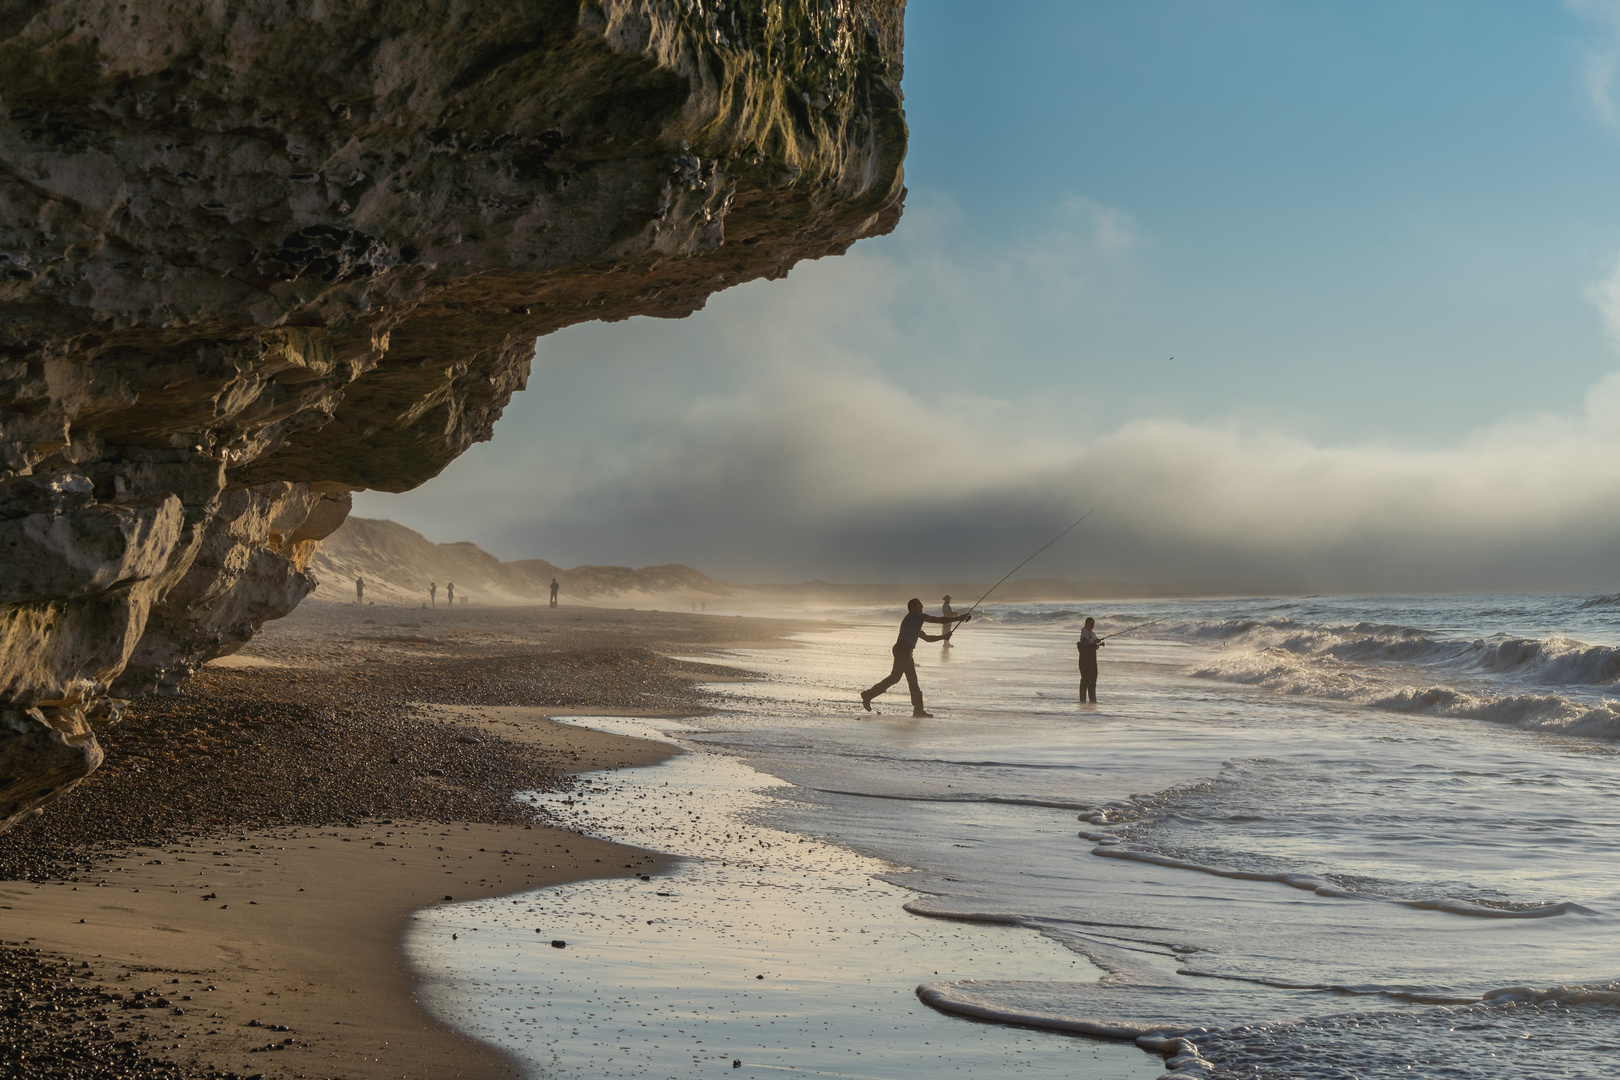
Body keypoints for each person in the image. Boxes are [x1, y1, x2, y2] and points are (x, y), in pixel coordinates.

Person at [861, 598, 971, 717]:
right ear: (913, 606)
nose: (922, 606)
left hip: (906, 651)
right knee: (895, 678)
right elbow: (937, 620)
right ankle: (868, 695)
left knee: (913, 681)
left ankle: (918, 710)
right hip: (903, 650)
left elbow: (927, 638)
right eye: (919, 604)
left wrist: (943, 637)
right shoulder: (914, 616)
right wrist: (959, 618)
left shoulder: (914, 621)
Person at [1077, 617, 1104, 703]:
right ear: (1086, 624)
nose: (1092, 625)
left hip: (1092, 659)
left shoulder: (1092, 633)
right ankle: (1083, 700)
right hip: (1085, 659)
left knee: (1093, 679)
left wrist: (1099, 644)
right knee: (1086, 679)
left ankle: (1093, 700)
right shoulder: (1084, 631)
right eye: (1090, 623)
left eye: (1093, 624)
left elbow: (1094, 645)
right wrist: (1094, 641)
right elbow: (1085, 642)